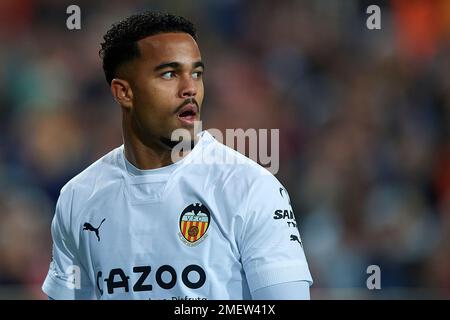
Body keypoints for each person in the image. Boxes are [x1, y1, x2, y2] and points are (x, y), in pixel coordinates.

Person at [42, 11, 313, 300]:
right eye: (169, 74)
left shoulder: (250, 187)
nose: (190, 89)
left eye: (196, 73)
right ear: (124, 92)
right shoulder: (78, 197)